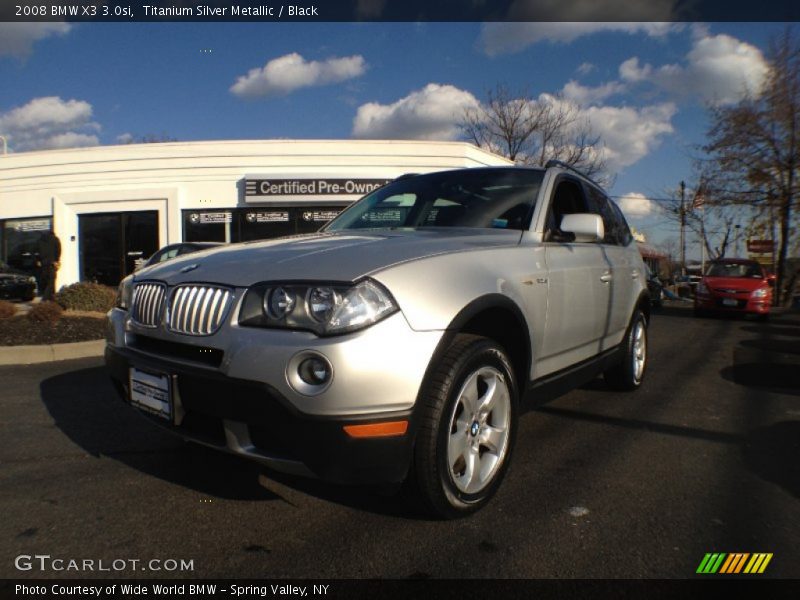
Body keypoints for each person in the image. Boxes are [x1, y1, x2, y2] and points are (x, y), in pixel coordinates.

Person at [37, 230, 61, 301]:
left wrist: (38, 260)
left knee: (47, 281)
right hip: (52, 263)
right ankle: (44, 299)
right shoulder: (55, 239)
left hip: (43, 264)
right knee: (51, 281)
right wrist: (57, 260)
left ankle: (52, 299)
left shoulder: (40, 240)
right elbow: (58, 250)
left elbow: (35, 251)